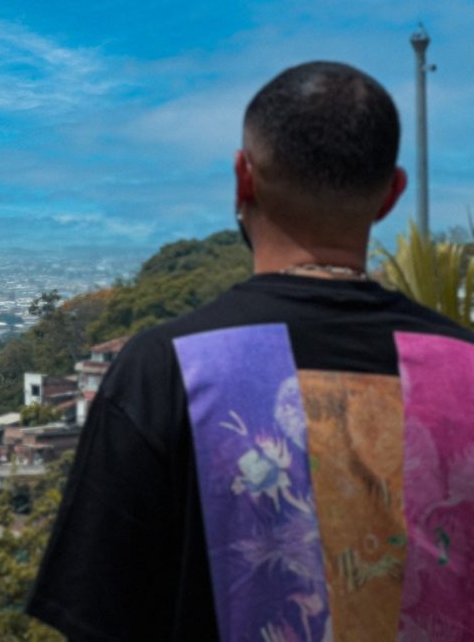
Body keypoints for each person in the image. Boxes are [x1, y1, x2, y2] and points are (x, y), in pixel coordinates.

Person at [28, 61, 474, 640]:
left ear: (244, 178)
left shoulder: (166, 370)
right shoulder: (464, 370)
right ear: (391, 193)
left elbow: (102, 619)